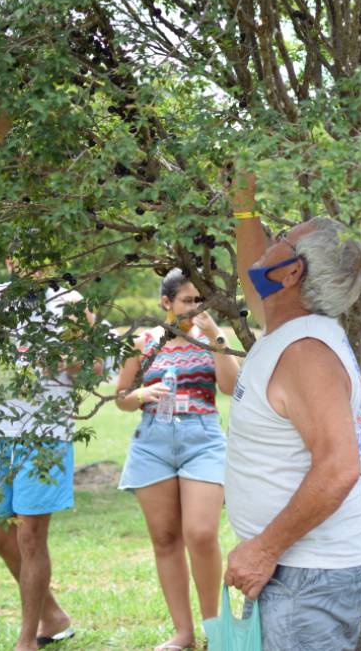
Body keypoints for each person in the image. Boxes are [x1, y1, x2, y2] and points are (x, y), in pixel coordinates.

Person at [222, 173, 361, 650]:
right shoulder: (286, 327)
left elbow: (339, 468)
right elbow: (255, 276)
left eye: (281, 239)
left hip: (304, 577)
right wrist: (243, 203)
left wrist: (262, 550)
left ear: (291, 274)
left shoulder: (307, 354)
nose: (271, 240)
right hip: (294, 572)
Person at [0, 275, 98, 651]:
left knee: (31, 536)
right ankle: (53, 616)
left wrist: (71, 360)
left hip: (45, 433)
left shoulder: (71, 300)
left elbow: (96, 365)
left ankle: (26, 640)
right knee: (0, 536)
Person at [114, 268, 239, 651]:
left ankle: (217, 630)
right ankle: (183, 634)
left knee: (200, 534)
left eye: (200, 300)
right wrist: (141, 394)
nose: (195, 308)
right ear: (166, 303)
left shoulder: (211, 338)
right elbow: (121, 397)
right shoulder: (143, 342)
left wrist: (215, 333)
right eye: (187, 300)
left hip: (202, 437)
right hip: (153, 441)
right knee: (165, 538)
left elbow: (231, 387)